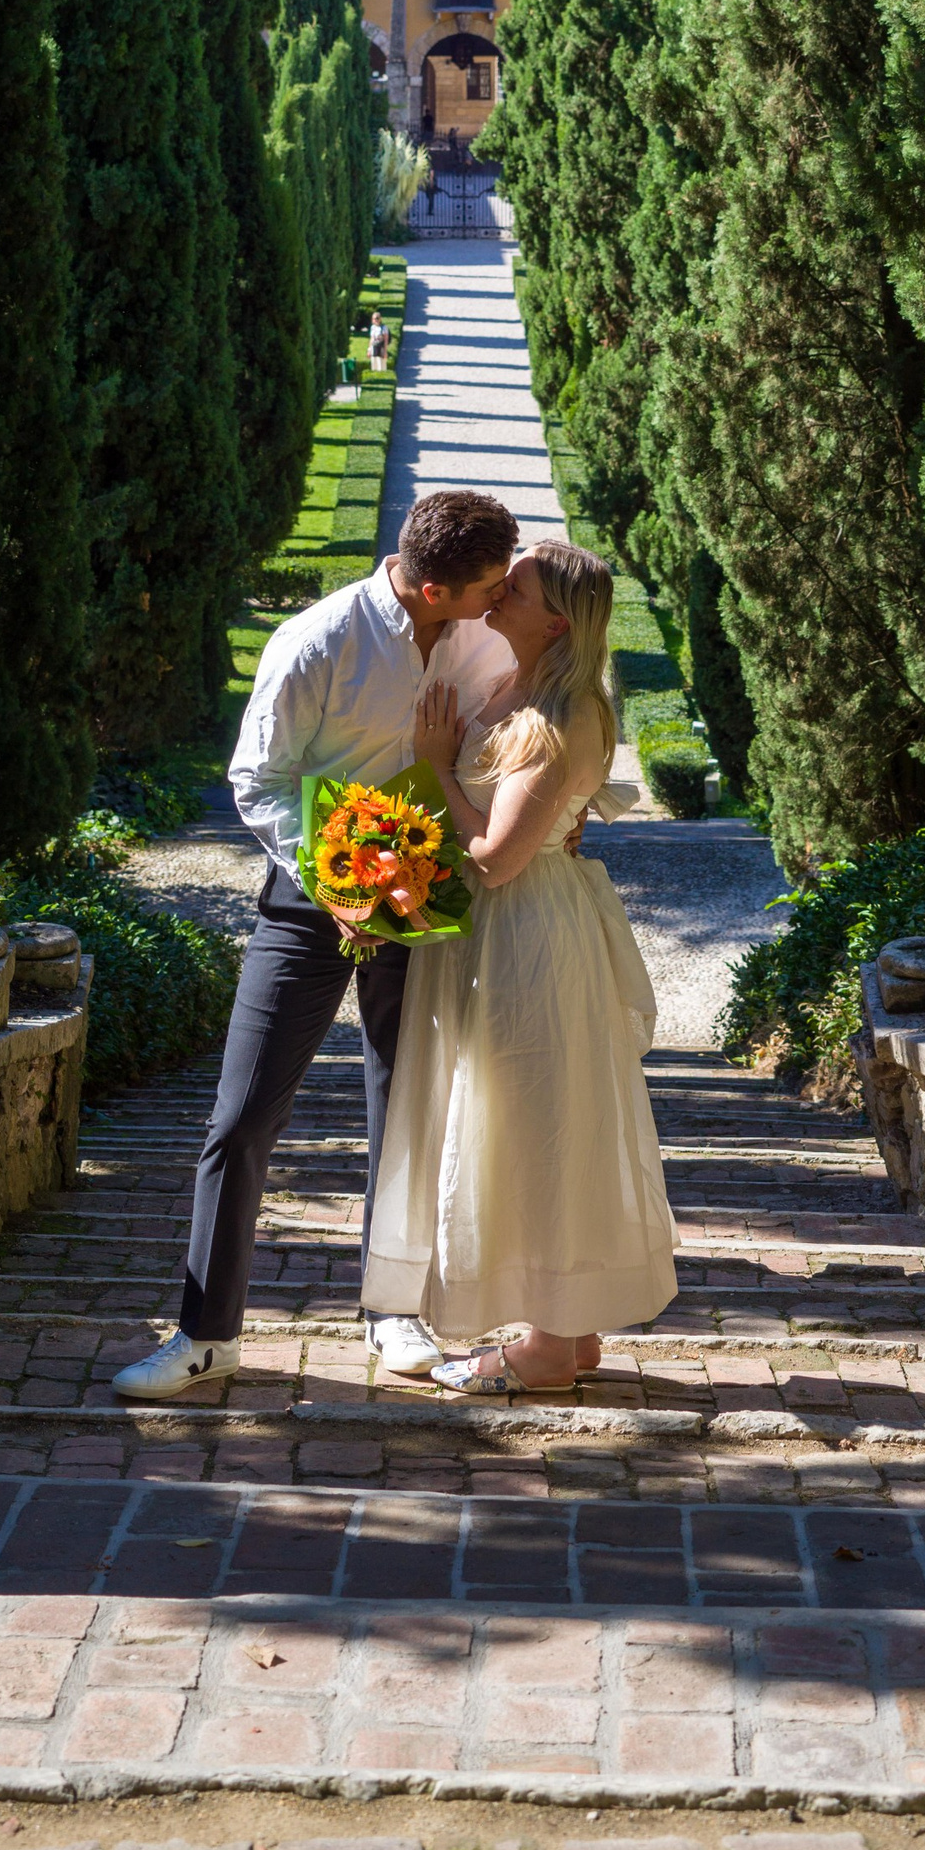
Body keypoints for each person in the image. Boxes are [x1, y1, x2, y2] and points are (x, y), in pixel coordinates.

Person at [110, 487, 523, 1399]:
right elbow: (257, 779)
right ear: (431, 588)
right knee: (243, 1117)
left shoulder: (483, 640)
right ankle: (206, 1337)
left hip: (428, 902)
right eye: (488, 583)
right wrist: (335, 880)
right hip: (306, 900)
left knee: (405, 1115)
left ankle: (393, 1317)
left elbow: (502, 753)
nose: (501, 596)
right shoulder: (319, 639)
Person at [362, 540, 679, 1393]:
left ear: (554, 619)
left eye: (520, 584)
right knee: (533, 1115)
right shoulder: (522, 684)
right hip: (516, 927)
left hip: (524, 931)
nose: (500, 589)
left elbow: (497, 858)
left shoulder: (559, 712)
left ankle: (543, 1349)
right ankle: (567, 1330)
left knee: (534, 1122)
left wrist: (435, 767)